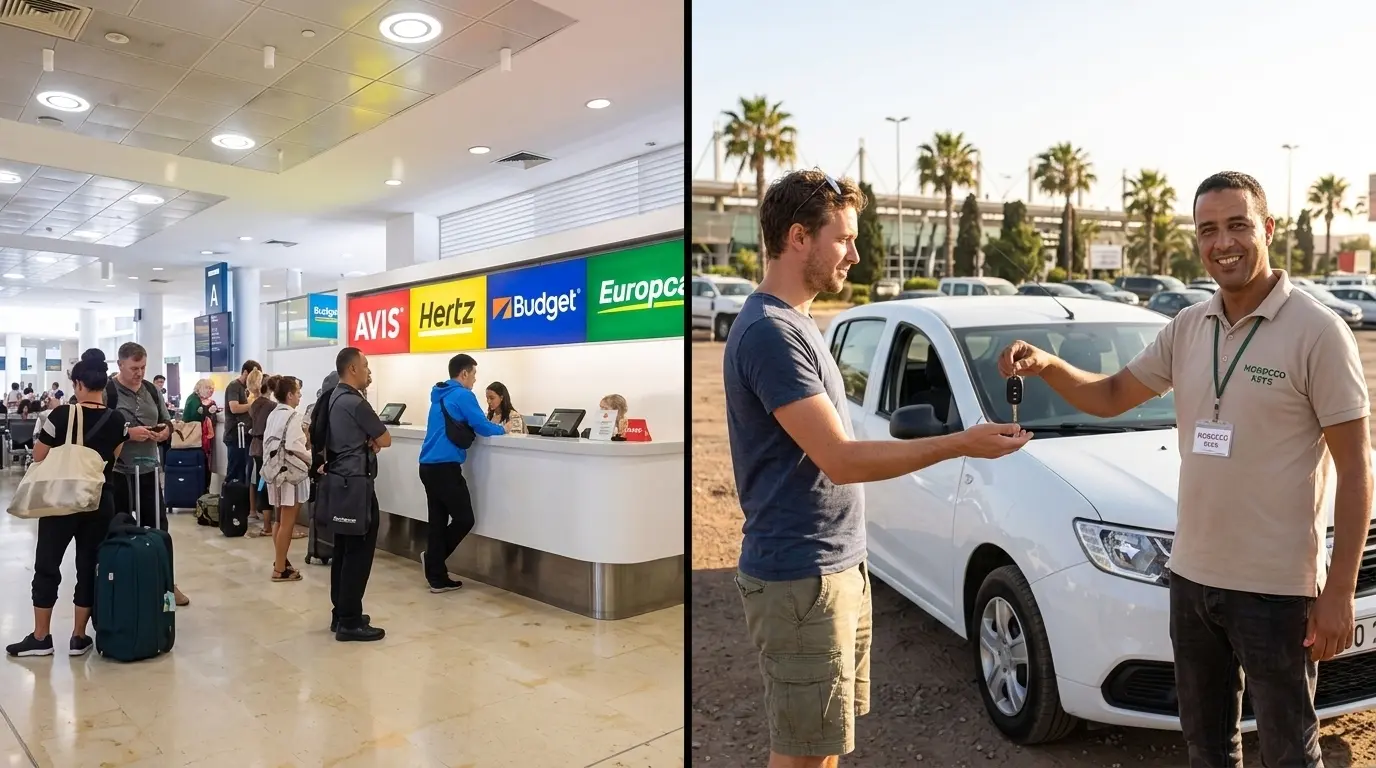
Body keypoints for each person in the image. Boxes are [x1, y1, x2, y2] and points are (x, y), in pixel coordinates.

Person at [999, 171, 1372, 768]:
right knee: (1206, 748)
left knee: (1290, 754)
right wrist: (1049, 365)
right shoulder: (1188, 327)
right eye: (1208, 230)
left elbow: (1356, 470)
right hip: (1192, 580)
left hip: (1276, 591)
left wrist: (1339, 593)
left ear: (1268, 228)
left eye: (1237, 225)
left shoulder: (1318, 331)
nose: (1223, 243)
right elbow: (1112, 394)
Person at [724, 169, 1030, 767]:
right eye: (844, 239)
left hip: (830, 568)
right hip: (801, 577)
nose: (856, 255)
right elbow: (840, 459)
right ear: (798, 237)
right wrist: (960, 443)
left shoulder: (796, 322)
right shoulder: (770, 334)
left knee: (823, 747)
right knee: (802, 754)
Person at [6, 350, 127, 657]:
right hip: (99, 500)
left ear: (78, 384)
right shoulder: (117, 420)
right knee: (88, 566)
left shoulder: (60, 416)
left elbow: (39, 456)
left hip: (59, 499)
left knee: (47, 564)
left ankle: (41, 637)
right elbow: (113, 459)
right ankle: (78, 636)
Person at [106, 342, 188, 608]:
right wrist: (127, 433)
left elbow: (166, 420)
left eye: (142, 367)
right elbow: (100, 428)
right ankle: (119, 582)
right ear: (120, 365)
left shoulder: (151, 390)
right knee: (118, 527)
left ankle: (165, 582)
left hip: (149, 470)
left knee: (158, 528)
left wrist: (165, 431)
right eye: (134, 368)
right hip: (119, 471)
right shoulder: (108, 392)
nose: (139, 373)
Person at [419, 354, 506, 593]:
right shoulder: (462, 395)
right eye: (474, 374)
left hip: (427, 465)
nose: (475, 380)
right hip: (445, 467)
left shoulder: (439, 395)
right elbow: (482, 426)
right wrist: (503, 430)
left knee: (437, 522)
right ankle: (433, 561)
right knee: (465, 518)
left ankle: (437, 577)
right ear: (464, 373)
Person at [320, 347, 390, 641]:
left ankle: (341, 613)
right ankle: (350, 621)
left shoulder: (332, 397)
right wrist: (372, 441)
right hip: (358, 486)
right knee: (359, 553)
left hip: (339, 482)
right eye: (365, 365)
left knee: (343, 550)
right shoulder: (355, 402)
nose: (367, 371)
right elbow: (385, 437)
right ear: (352, 369)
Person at [264, 376, 310, 582]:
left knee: (279, 520)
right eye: (298, 392)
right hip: (290, 474)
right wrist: (311, 457)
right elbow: (294, 445)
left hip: (274, 472)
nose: (300, 396)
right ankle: (280, 569)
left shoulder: (273, 414)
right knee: (287, 523)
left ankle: (281, 561)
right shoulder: (294, 417)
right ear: (290, 395)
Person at [248, 371, 278, 537]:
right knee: (267, 484)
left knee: (259, 482)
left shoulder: (254, 404)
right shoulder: (272, 406)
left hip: (255, 447)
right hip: (266, 448)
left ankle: (262, 518)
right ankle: (268, 525)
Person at [224, 360, 261, 491]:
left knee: (245, 472)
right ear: (245, 372)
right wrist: (253, 404)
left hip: (246, 435)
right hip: (235, 435)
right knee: (235, 470)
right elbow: (234, 408)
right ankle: (229, 499)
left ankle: (241, 500)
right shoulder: (234, 386)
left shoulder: (249, 390)